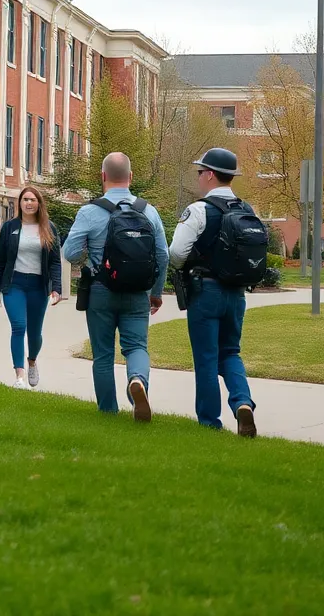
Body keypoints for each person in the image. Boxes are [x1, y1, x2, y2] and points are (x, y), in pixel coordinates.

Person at [62, 152, 169, 422]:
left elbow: (70, 253)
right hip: (137, 294)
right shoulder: (149, 211)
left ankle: (108, 412)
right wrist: (155, 293)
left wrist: (91, 253)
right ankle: (137, 381)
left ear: (103, 176)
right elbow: (163, 255)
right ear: (131, 177)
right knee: (136, 347)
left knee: (103, 354)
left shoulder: (90, 211)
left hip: (101, 290)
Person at [169, 148, 261, 438]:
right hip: (236, 294)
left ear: (209, 174)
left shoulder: (198, 210)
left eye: (200, 172)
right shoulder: (247, 211)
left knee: (207, 358)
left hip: (205, 291)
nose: (198, 177)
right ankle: (242, 403)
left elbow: (176, 254)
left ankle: (210, 422)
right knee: (231, 352)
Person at [0, 185, 63, 390]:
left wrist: (56, 288)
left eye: (32, 200)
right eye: (25, 200)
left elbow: (55, 261)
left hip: (39, 286)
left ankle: (32, 361)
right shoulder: (9, 227)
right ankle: (19, 375)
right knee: (18, 326)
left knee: (35, 333)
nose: (29, 203)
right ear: (20, 203)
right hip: (14, 284)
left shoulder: (49, 228)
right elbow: (0, 260)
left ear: (39, 204)